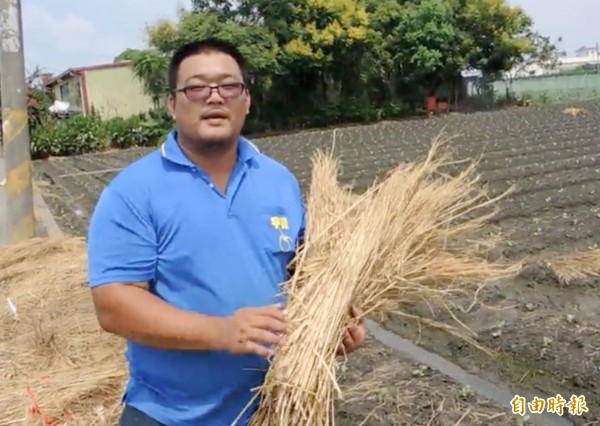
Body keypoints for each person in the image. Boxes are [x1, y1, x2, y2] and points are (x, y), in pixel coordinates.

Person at [87, 38, 366, 426]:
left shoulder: (279, 182)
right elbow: (114, 305)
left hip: (274, 408)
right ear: (172, 103)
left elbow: (300, 276)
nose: (214, 97)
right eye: (197, 87)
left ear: (247, 100)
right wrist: (220, 331)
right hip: (168, 416)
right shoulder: (133, 192)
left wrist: (331, 324)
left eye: (228, 86)